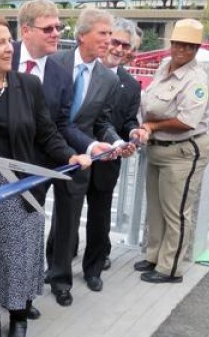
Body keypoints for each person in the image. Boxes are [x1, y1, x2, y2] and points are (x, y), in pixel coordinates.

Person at [0, 18, 91, 337]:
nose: (9, 48)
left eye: (10, 40)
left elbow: (48, 133)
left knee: (18, 257)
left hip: (21, 188)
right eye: (0, 42)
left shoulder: (28, 86)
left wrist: (71, 155)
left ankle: (19, 317)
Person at [12, 0, 114, 314]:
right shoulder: (3, 55)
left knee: (31, 233)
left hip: (50, 161)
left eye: (59, 27)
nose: (56, 32)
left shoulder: (57, 73)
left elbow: (60, 124)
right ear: (26, 30)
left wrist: (86, 148)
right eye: (49, 28)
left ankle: (24, 297)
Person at [48, 8, 135, 305]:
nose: (109, 41)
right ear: (82, 35)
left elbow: (102, 122)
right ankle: (32, 273)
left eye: (111, 35)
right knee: (38, 219)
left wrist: (114, 142)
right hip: (41, 153)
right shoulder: (52, 62)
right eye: (104, 33)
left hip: (80, 157)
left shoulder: (108, 80)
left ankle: (61, 281)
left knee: (69, 221)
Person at [134, 18, 209, 283]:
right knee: (155, 208)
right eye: (178, 44)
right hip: (158, 148)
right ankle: (155, 256)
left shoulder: (196, 79)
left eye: (189, 46)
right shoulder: (164, 67)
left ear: (197, 49)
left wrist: (152, 125)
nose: (182, 50)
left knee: (176, 212)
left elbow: (186, 121)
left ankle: (171, 268)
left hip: (182, 152)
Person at [87, 18, 142, 282]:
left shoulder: (131, 85)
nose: (119, 48)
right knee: (67, 214)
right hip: (76, 155)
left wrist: (133, 132)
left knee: (100, 215)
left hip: (109, 157)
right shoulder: (82, 70)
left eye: (125, 45)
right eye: (115, 41)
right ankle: (58, 267)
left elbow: (129, 119)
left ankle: (95, 266)